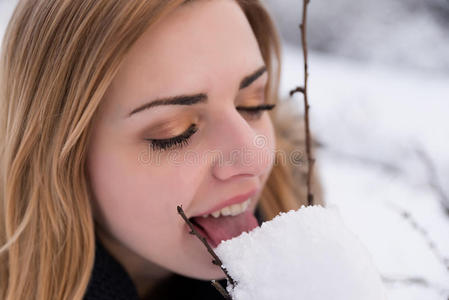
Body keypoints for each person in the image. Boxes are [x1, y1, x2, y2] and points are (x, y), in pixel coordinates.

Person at [0, 0, 323, 299]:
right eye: (176, 132)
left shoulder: (305, 239)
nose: (255, 156)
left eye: (254, 104)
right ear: (61, 156)